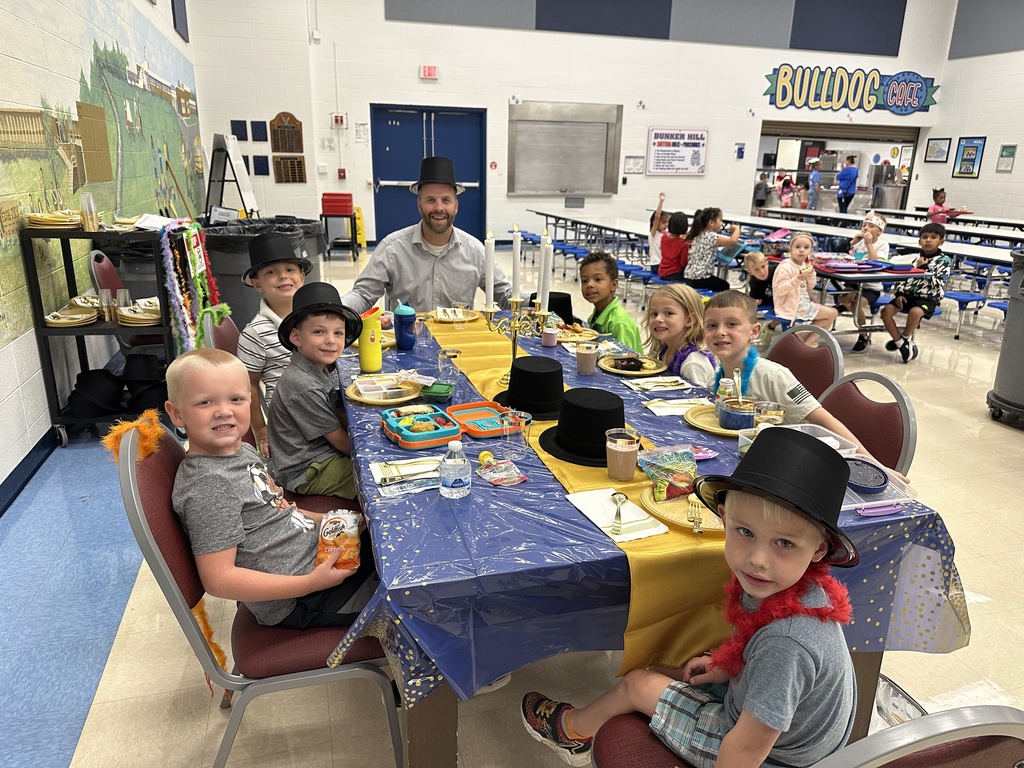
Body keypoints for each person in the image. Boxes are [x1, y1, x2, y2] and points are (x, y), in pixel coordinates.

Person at [521, 426, 859, 768]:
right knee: (661, 670)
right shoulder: (793, 589)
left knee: (637, 684)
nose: (758, 559)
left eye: (784, 543)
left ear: (818, 549)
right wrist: (726, 668)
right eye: (745, 532)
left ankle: (571, 733)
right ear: (725, 519)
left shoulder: (787, 646)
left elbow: (743, 753)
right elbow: (763, 655)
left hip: (772, 757)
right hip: (778, 729)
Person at [166, 347, 378, 629]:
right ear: (176, 414)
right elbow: (219, 580)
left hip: (318, 558)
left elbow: (278, 509)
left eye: (236, 399)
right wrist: (308, 584)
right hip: (304, 598)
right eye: (205, 402)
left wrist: (331, 520)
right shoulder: (209, 485)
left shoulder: (241, 451)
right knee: (414, 591)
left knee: (395, 543)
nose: (224, 411)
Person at [702, 290, 868, 455]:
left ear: (754, 331)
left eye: (731, 324)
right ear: (704, 333)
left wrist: (870, 460)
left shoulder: (775, 377)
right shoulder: (715, 380)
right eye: (712, 325)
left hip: (786, 457)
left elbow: (823, 418)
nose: (720, 332)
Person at [340, 156, 512, 313]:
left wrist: (535, 300)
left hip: (458, 341)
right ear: (419, 205)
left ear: (456, 206)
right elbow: (363, 294)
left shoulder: (476, 251)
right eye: (430, 200)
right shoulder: (392, 248)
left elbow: (505, 296)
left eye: (446, 200)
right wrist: (334, 306)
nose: (439, 208)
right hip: (407, 342)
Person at [268, 282, 362, 499]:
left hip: (322, 455)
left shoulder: (319, 367)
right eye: (319, 332)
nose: (331, 341)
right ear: (296, 337)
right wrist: (375, 454)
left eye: (338, 333)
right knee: (373, 479)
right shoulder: (303, 385)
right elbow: (341, 442)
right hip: (308, 469)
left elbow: (336, 410)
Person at [236, 231, 312, 457]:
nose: (283, 276)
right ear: (257, 283)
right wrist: (260, 429)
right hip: (293, 425)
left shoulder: (316, 318)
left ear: (302, 276)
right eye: (271, 272)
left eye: (290, 269)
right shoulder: (255, 334)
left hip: (323, 408)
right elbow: (247, 386)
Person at [880, 223, 951, 363]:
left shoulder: (944, 261)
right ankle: (901, 343)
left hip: (927, 297)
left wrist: (923, 268)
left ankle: (905, 337)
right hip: (906, 295)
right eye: (924, 237)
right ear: (919, 241)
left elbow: (939, 282)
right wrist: (899, 293)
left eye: (933, 237)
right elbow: (903, 277)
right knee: (885, 312)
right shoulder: (913, 259)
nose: (928, 240)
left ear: (941, 241)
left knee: (915, 312)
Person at [643, 283, 715, 388]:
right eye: (654, 314)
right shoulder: (666, 349)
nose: (658, 319)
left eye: (668, 313)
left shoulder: (692, 362)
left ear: (689, 320)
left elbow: (699, 400)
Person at [771, 232, 838, 337]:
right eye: (797, 247)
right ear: (790, 248)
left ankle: (805, 340)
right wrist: (797, 279)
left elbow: (809, 287)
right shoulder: (785, 267)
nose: (802, 250)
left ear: (811, 250)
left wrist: (811, 275)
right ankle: (806, 341)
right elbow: (779, 290)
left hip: (803, 303)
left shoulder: (805, 265)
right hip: (790, 306)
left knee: (830, 315)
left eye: (806, 247)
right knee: (832, 313)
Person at [842, 212, 890, 353]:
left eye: (871, 226)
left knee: (855, 306)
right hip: (854, 283)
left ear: (880, 231)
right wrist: (852, 243)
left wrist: (869, 245)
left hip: (870, 287)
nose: (866, 228)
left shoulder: (882, 245)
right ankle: (843, 305)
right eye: (864, 225)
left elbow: (876, 263)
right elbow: (849, 259)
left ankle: (863, 336)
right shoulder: (859, 243)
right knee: (844, 299)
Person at [579, 251, 643, 351]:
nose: (589, 285)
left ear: (613, 285)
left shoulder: (619, 323)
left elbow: (626, 359)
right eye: (584, 281)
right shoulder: (594, 316)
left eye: (598, 279)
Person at [682, 208, 738, 293]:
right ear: (711, 222)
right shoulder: (711, 236)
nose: (722, 223)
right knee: (725, 286)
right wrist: (737, 229)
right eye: (720, 220)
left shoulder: (698, 233)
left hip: (688, 276)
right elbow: (732, 241)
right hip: (700, 278)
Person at [657, 211, 690, 281]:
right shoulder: (684, 243)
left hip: (662, 271)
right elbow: (683, 263)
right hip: (675, 273)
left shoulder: (663, 238)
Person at [648, 192, 670, 268]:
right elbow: (657, 217)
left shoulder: (665, 234)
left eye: (667, 222)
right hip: (656, 264)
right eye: (664, 222)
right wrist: (661, 201)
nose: (666, 225)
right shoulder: (654, 234)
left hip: (663, 263)